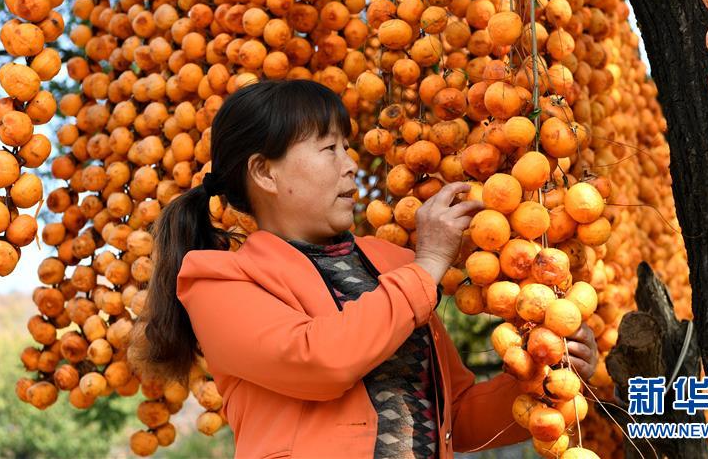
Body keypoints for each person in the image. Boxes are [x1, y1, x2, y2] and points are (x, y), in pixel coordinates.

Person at [129, 79, 599, 458]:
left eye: (347, 147)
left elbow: (456, 416)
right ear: (265, 173)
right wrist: (430, 264)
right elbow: (322, 361)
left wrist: (546, 380)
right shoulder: (215, 281)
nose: (351, 165)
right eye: (328, 149)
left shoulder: (393, 264)